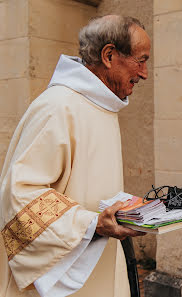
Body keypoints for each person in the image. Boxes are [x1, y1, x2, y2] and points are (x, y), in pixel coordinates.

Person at [0, 15, 150, 297]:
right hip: (62, 274)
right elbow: (19, 196)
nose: (143, 73)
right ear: (109, 55)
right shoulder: (59, 107)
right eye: (140, 60)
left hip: (100, 260)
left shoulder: (102, 103)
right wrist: (91, 224)